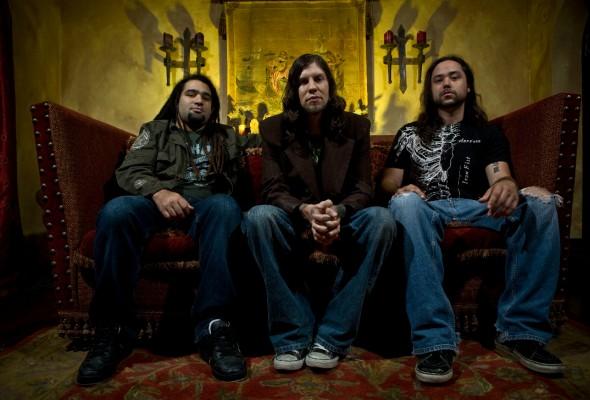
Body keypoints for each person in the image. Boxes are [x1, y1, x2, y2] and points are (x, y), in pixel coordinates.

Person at [381, 55, 565, 384]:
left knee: (541, 204)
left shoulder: (487, 132)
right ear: (430, 90)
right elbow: (388, 181)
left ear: (467, 86)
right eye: (438, 79)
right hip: (427, 208)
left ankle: (521, 332)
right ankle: (435, 341)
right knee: (404, 204)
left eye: (454, 77)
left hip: (479, 206)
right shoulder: (410, 133)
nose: (446, 83)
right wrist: (401, 188)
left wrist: (507, 185)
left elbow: (499, 175)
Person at [76, 74, 247, 385]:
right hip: (154, 202)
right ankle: (112, 330)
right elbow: (130, 170)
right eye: (191, 94)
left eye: (206, 97)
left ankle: (215, 328)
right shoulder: (154, 131)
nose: (199, 100)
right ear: (177, 100)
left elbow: (255, 162)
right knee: (116, 212)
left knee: (225, 207)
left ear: (213, 107)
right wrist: (158, 192)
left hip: (205, 207)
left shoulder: (227, 136)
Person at [244, 54, 396, 371]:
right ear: (294, 91)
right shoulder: (273, 128)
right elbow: (272, 188)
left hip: (343, 218)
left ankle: (331, 337)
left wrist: (337, 212)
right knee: (258, 217)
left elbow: (363, 188)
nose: (312, 87)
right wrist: (305, 211)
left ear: (330, 85)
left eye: (318, 79)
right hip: (294, 219)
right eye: (303, 81)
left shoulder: (356, 126)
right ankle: (292, 338)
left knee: (382, 220)